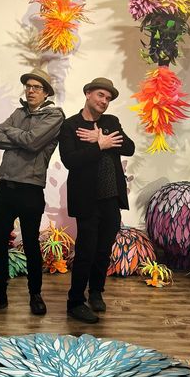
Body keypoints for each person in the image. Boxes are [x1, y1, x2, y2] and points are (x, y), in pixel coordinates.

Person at [0, 68, 65, 316]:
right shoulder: (18, 113)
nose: (30, 91)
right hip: (5, 188)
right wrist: (24, 137)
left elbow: (33, 142)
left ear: (46, 92)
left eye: (36, 87)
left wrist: (16, 135)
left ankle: (35, 294)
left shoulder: (54, 116)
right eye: (28, 86)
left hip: (31, 190)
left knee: (30, 244)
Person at [59, 77, 135, 323]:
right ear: (88, 93)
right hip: (87, 199)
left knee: (103, 250)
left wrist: (103, 138)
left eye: (108, 98)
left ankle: (96, 292)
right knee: (86, 251)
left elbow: (129, 147)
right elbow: (70, 160)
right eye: (101, 95)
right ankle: (75, 302)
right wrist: (99, 145)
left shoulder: (110, 122)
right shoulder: (71, 125)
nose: (104, 101)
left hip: (111, 198)